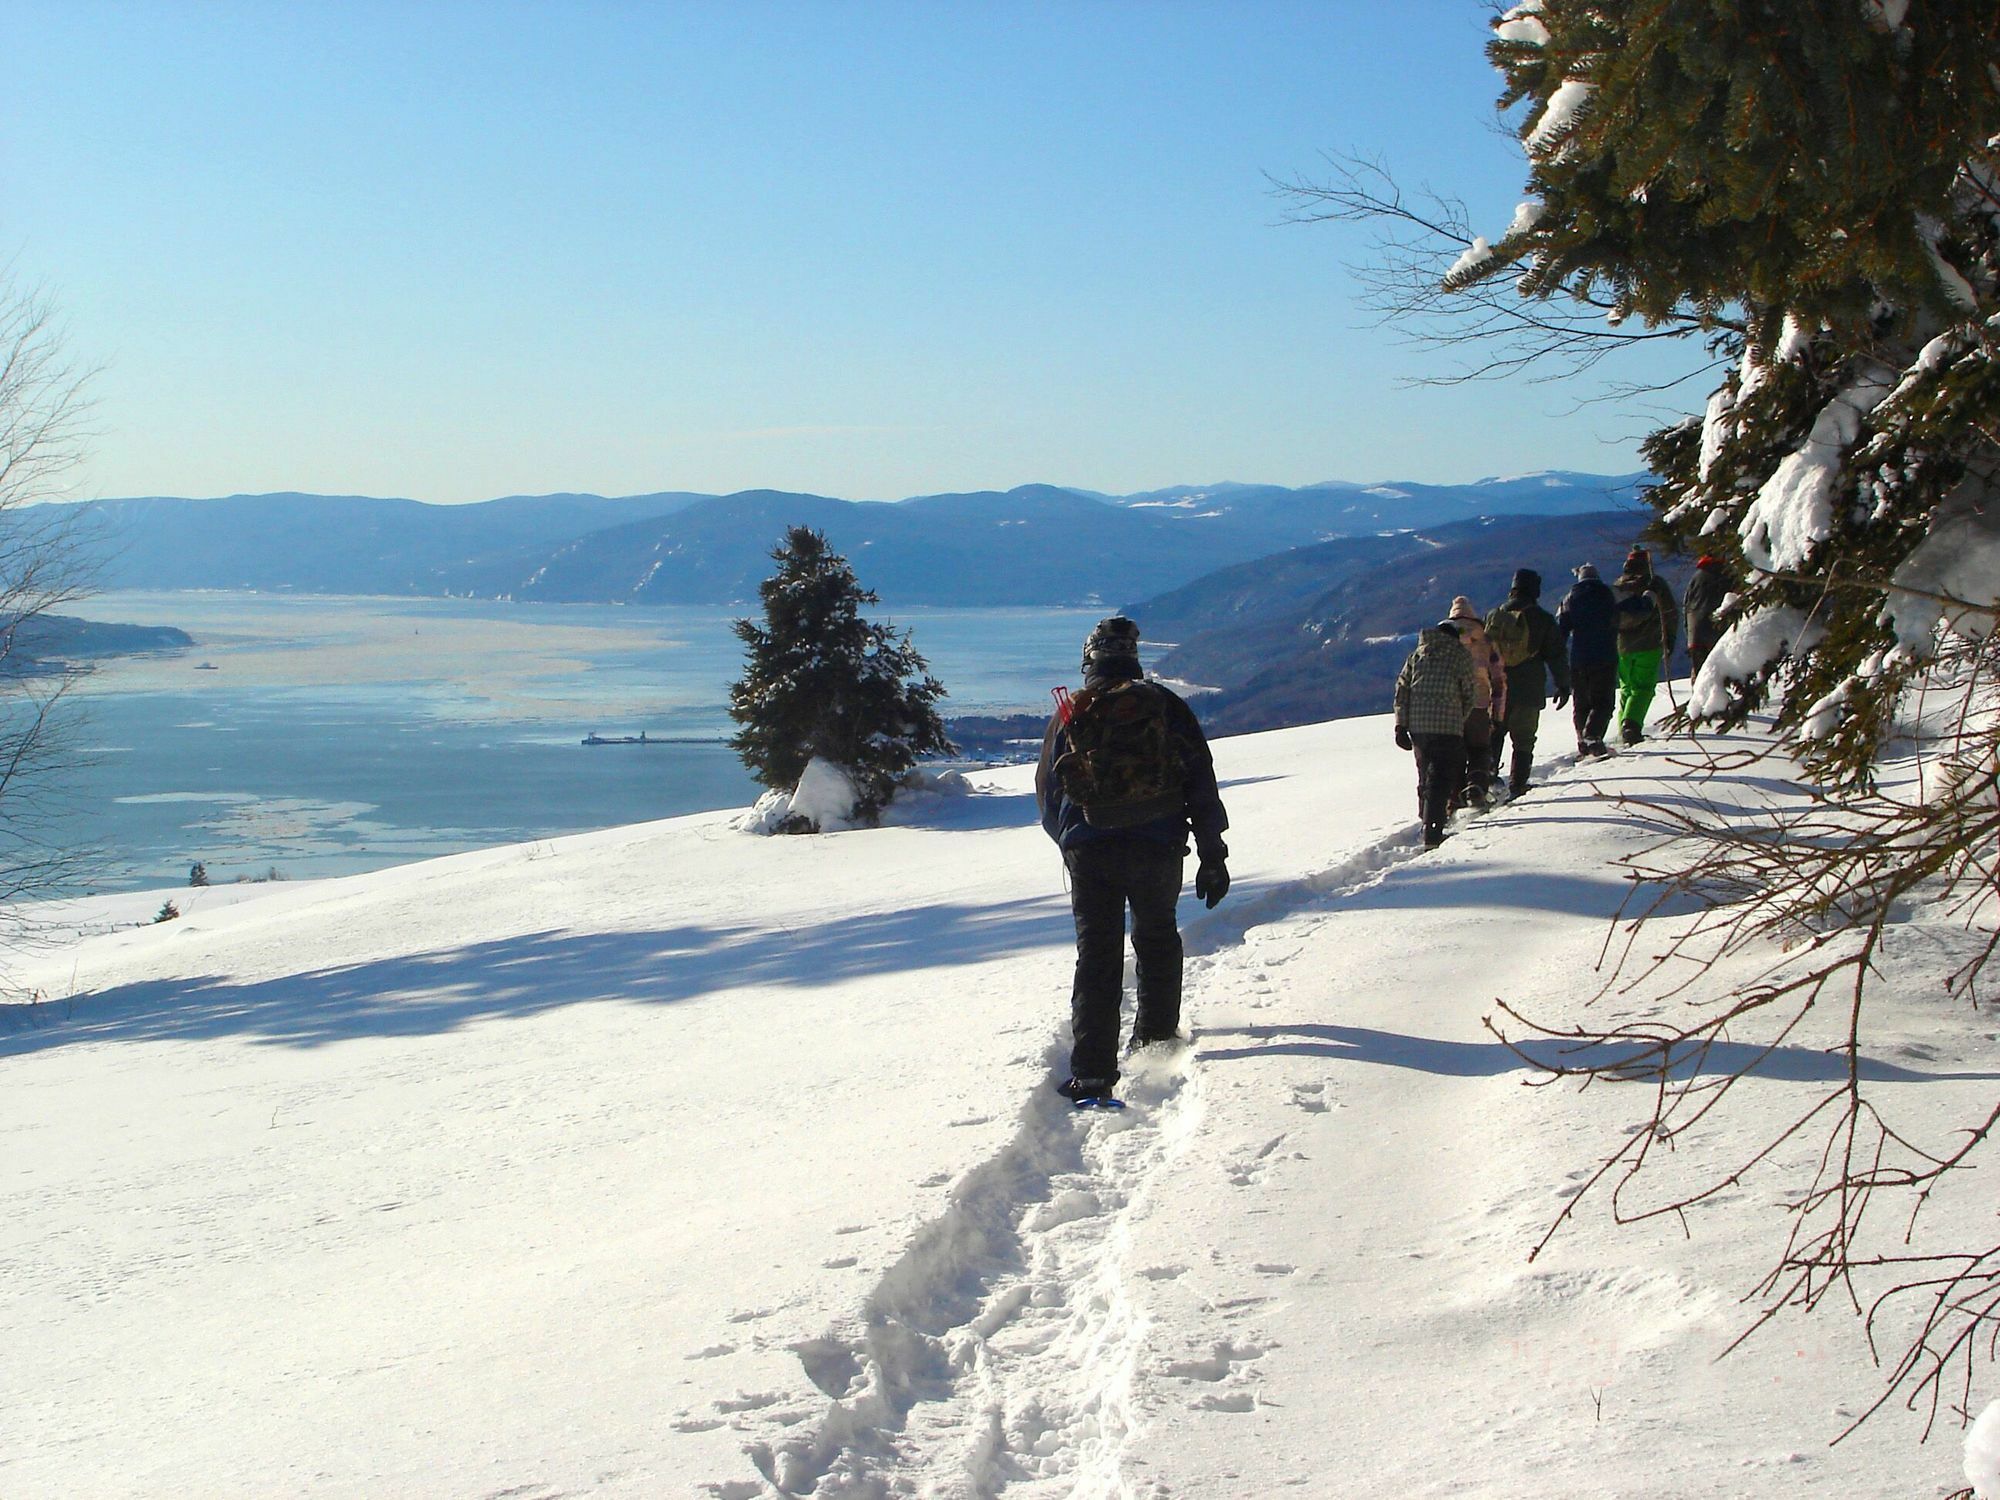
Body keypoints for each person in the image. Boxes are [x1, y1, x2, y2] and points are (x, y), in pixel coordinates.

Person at [1035, 616, 1230, 1106]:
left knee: (1097, 954)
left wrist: (1072, 841)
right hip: (1158, 843)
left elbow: (1047, 792)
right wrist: (1211, 853)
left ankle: (1093, 1073)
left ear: (1089, 660)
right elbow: (1200, 781)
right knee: (1156, 936)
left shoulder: (1071, 713)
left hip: (1090, 847)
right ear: (1133, 657)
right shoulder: (1165, 707)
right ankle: (1155, 1042)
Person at [1484, 569, 1570, 798]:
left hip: (1497, 689)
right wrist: (1563, 685)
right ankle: (1518, 784)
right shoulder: (1542, 619)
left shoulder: (1495, 616)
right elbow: (1556, 655)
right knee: (1523, 739)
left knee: (1494, 734)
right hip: (1529, 687)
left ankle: (1487, 781)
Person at [1393, 618, 1476, 850]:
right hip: (1447, 726)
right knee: (1440, 779)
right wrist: (1460, 717)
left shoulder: (1416, 655)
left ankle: (1425, 821)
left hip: (1418, 726)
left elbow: (1402, 690)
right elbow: (1469, 691)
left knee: (1424, 775)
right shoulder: (1459, 655)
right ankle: (1433, 833)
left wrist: (1401, 724)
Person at [1445, 596, 1505, 803]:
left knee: (1455, 754)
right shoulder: (1486, 639)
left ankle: (1455, 800)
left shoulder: (1444, 638)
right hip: (1479, 703)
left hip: (1450, 707)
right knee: (1480, 749)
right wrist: (1498, 714)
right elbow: (1498, 678)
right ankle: (1477, 786)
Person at [1556, 563, 1618, 756]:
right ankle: (1593, 735)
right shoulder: (1607, 594)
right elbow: (1621, 614)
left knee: (1581, 702)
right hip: (1605, 655)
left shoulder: (1569, 599)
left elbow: (1561, 631)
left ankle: (1583, 743)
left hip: (1579, 658)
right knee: (1603, 702)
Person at [1613, 555, 1670, 743]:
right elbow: (1669, 613)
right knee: (1643, 688)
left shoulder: (1618, 587)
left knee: (1627, 688)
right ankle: (1631, 725)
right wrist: (1669, 640)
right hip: (1648, 643)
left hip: (1621, 645)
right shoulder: (1654, 584)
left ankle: (1624, 727)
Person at [1682, 553, 1735, 677]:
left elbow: (1687, 606)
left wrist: (1689, 633)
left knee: (1701, 675)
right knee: (1720, 675)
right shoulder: (1729, 576)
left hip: (1696, 634)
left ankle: (1698, 695)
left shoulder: (1696, 578)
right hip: (1720, 633)